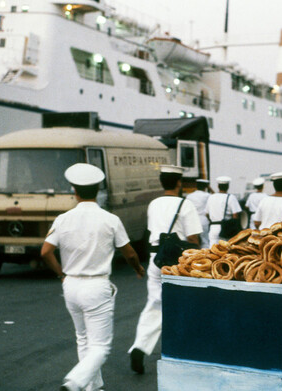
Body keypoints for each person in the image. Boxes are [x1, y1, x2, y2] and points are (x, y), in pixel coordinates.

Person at [40, 163, 145, 391]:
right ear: (98, 190)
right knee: (100, 347)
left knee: (83, 339)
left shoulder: (62, 219)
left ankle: (94, 387)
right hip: (96, 285)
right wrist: (138, 269)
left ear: (74, 190)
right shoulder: (110, 219)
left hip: (71, 285)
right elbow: (129, 253)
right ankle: (75, 382)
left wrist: (61, 275)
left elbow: (45, 252)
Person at [129, 165, 202, 375]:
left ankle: (140, 347)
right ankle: (185, 353)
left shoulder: (154, 204)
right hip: (178, 262)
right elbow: (193, 238)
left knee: (154, 304)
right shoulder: (185, 205)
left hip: (156, 259)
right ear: (179, 182)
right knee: (183, 306)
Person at [205, 176, 242, 246]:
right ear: (228, 186)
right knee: (225, 252)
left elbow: (206, 214)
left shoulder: (211, 197)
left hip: (213, 227)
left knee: (213, 251)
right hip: (226, 228)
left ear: (218, 186)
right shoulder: (231, 197)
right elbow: (235, 216)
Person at [186, 179, 212, 248]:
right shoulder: (207, 195)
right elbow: (216, 197)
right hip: (203, 220)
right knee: (205, 241)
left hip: (192, 220)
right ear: (205, 187)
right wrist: (210, 188)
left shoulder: (189, 196)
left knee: (192, 241)